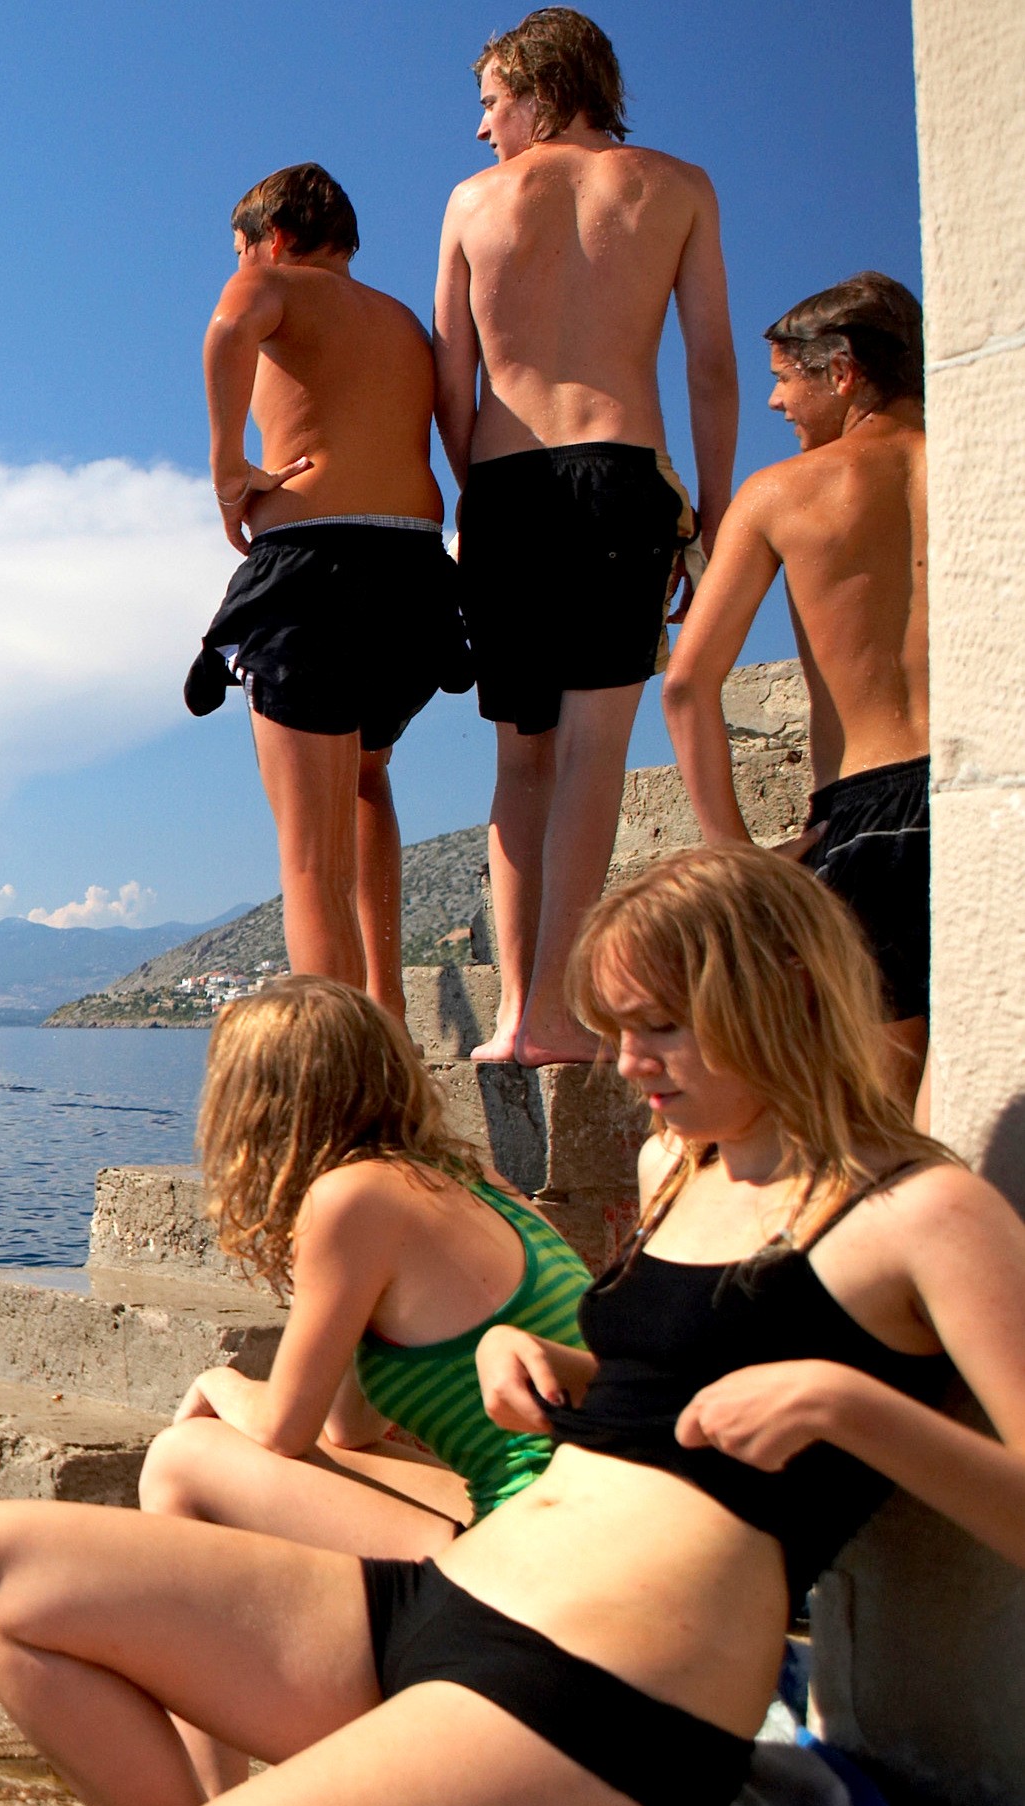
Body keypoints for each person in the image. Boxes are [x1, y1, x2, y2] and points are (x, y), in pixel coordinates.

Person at [0, 844, 1025, 1806]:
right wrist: (546, 1359)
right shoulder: (682, 1168)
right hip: (452, 1596)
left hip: (608, 1694)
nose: (625, 1061)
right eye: (618, 1026)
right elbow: (673, 1391)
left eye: (661, 1028)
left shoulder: (922, 1213)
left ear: (780, 995)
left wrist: (853, 1408)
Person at [138, 974, 590, 1798]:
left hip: (539, 1549)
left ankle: (203, 1800)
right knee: (235, 1459)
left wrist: (215, 1380)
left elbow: (282, 1430)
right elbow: (347, 1432)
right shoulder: (468, 1182)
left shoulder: (353, 1199)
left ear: (257, 1105)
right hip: (583, 1517)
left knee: (181, 1460)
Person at [437, 7, 740, 1066]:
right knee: (591, 753)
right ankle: (558, 1015)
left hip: (503, 486)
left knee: (517, 759)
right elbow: (710, 364)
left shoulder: (469, 203)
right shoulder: (677, 187)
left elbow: (450, 380)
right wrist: (712, 512)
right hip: (619, 479)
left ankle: (513, 1016)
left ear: (539, 89)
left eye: (490, 102)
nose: (482, 128)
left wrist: (475, 496)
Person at [186, 165, 467, 1028]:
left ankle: (346, 1059)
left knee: (308, 857)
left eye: (238, 250)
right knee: (365, 778)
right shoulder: (400, 321)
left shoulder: (272, 283)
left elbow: (228, 327)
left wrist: (227, 469)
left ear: (270, 240)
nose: (237, 266)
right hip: (416, 569)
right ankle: (386, 1005)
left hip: (315, 564)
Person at [667, 273, 930, 1111]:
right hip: (988, 788)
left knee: (876, 1106)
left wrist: (736, 854)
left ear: (841, 371)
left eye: (784, 379)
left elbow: (686, 685)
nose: (774, 402)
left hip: (866, 816)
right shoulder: (985, 461)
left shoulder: (781, 492)